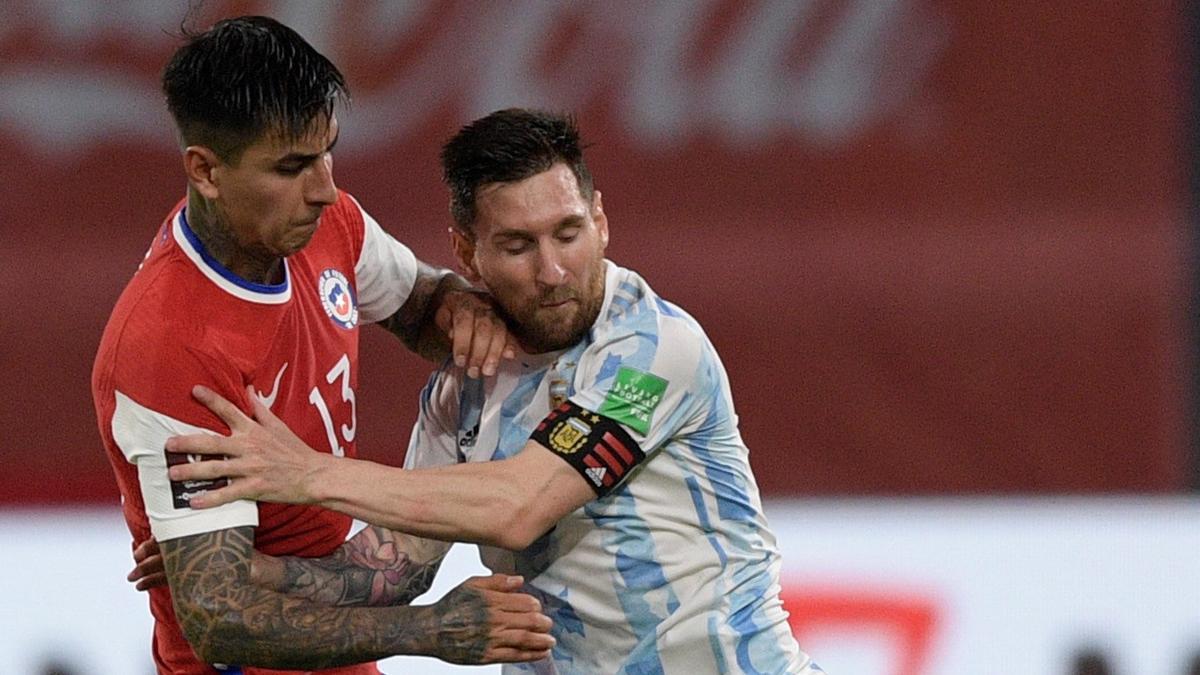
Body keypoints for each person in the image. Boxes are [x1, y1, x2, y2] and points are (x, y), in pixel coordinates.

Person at [164, 108, 824, 674]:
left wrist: (307, 475)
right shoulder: (464, 392)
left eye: (568, 231)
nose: (553, 269)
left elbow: (521, 504)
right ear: (466, 252)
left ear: (600, 219)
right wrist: (242, 570)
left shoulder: (652, 354)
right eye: (517, 245)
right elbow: (391, 572)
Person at [92, 17, 553, 675]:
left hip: (348, 643)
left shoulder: (325, 224)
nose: (325, 188)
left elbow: (419, 301)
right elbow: (220, 615)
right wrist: (430, 630)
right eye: (291, 166)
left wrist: (459, 311)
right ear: (206, 170)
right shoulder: (171, 347)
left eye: (326, 152)